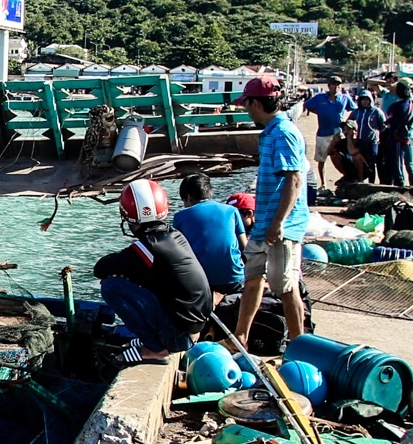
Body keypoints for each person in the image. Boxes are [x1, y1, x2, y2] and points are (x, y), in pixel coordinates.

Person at [94, 179, 214, 360]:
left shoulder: (147, 247)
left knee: (110, 286)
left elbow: (100, 268)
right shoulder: (174, 235)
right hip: (194, 330)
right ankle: (156, 341)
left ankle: (154, 348)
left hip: (178, 337)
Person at [234, 75, 309, 351]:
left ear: (256, 103)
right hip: (265, 220)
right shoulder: (270, 132)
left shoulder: (284, 133)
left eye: (247, 104)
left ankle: (300, 343)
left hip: (281, 225)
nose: (245, 109)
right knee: (252, 278)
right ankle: (240, 337)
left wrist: (279, 223)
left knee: (285, 286)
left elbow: (295, 179)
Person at [174, 174, 246, 296]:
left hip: (202, 282)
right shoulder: (231, 210)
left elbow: (177, 253)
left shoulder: (180, 217)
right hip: (234, 279)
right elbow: (245, 247)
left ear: (189, 197)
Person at [303, 76, 354, 185]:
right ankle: (323, 183)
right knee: (321, 160)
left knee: (342, 158)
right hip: (323, 133)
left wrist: (347, 124)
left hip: (338, 134)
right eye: (333, 84)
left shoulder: (345, 98)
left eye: (338, 85)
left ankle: (347, 179)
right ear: (329, 86)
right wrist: (319, 113)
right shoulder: (320, 98)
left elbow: (354, 110)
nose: (336, 87)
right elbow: (306, 105)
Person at [380, 79, 413, 186]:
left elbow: (397, 121)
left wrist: (391, 122)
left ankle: (401, 186)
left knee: (399, 163)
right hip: (401, 135)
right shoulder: (406, 103)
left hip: (400, 136)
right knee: (397, 163)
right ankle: (398, 184)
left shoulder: (406, 104)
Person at [353, 95, 385, 184]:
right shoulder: (357, 112)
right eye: (363, 99)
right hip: (360, 141)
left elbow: (383, 127)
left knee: (371, 164)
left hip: (372, 142)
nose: (365, 101)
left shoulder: (376, 112)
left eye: (367, 99)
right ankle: (360, 182)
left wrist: (378, 137)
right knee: (360, 163)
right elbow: (349, 123)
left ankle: (372, 184)